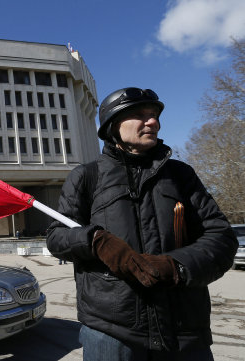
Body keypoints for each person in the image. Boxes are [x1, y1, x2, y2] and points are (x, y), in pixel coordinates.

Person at [46, 87, 238, 361]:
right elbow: (56, 237)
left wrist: (176, 266)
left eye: (154, 115)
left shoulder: (181, 175)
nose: (152, 122)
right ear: (112, 125)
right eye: (139, 115)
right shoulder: (86, 176)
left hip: (184, 330)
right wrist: (93, 240)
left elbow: (221, 237)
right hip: (111, 333)